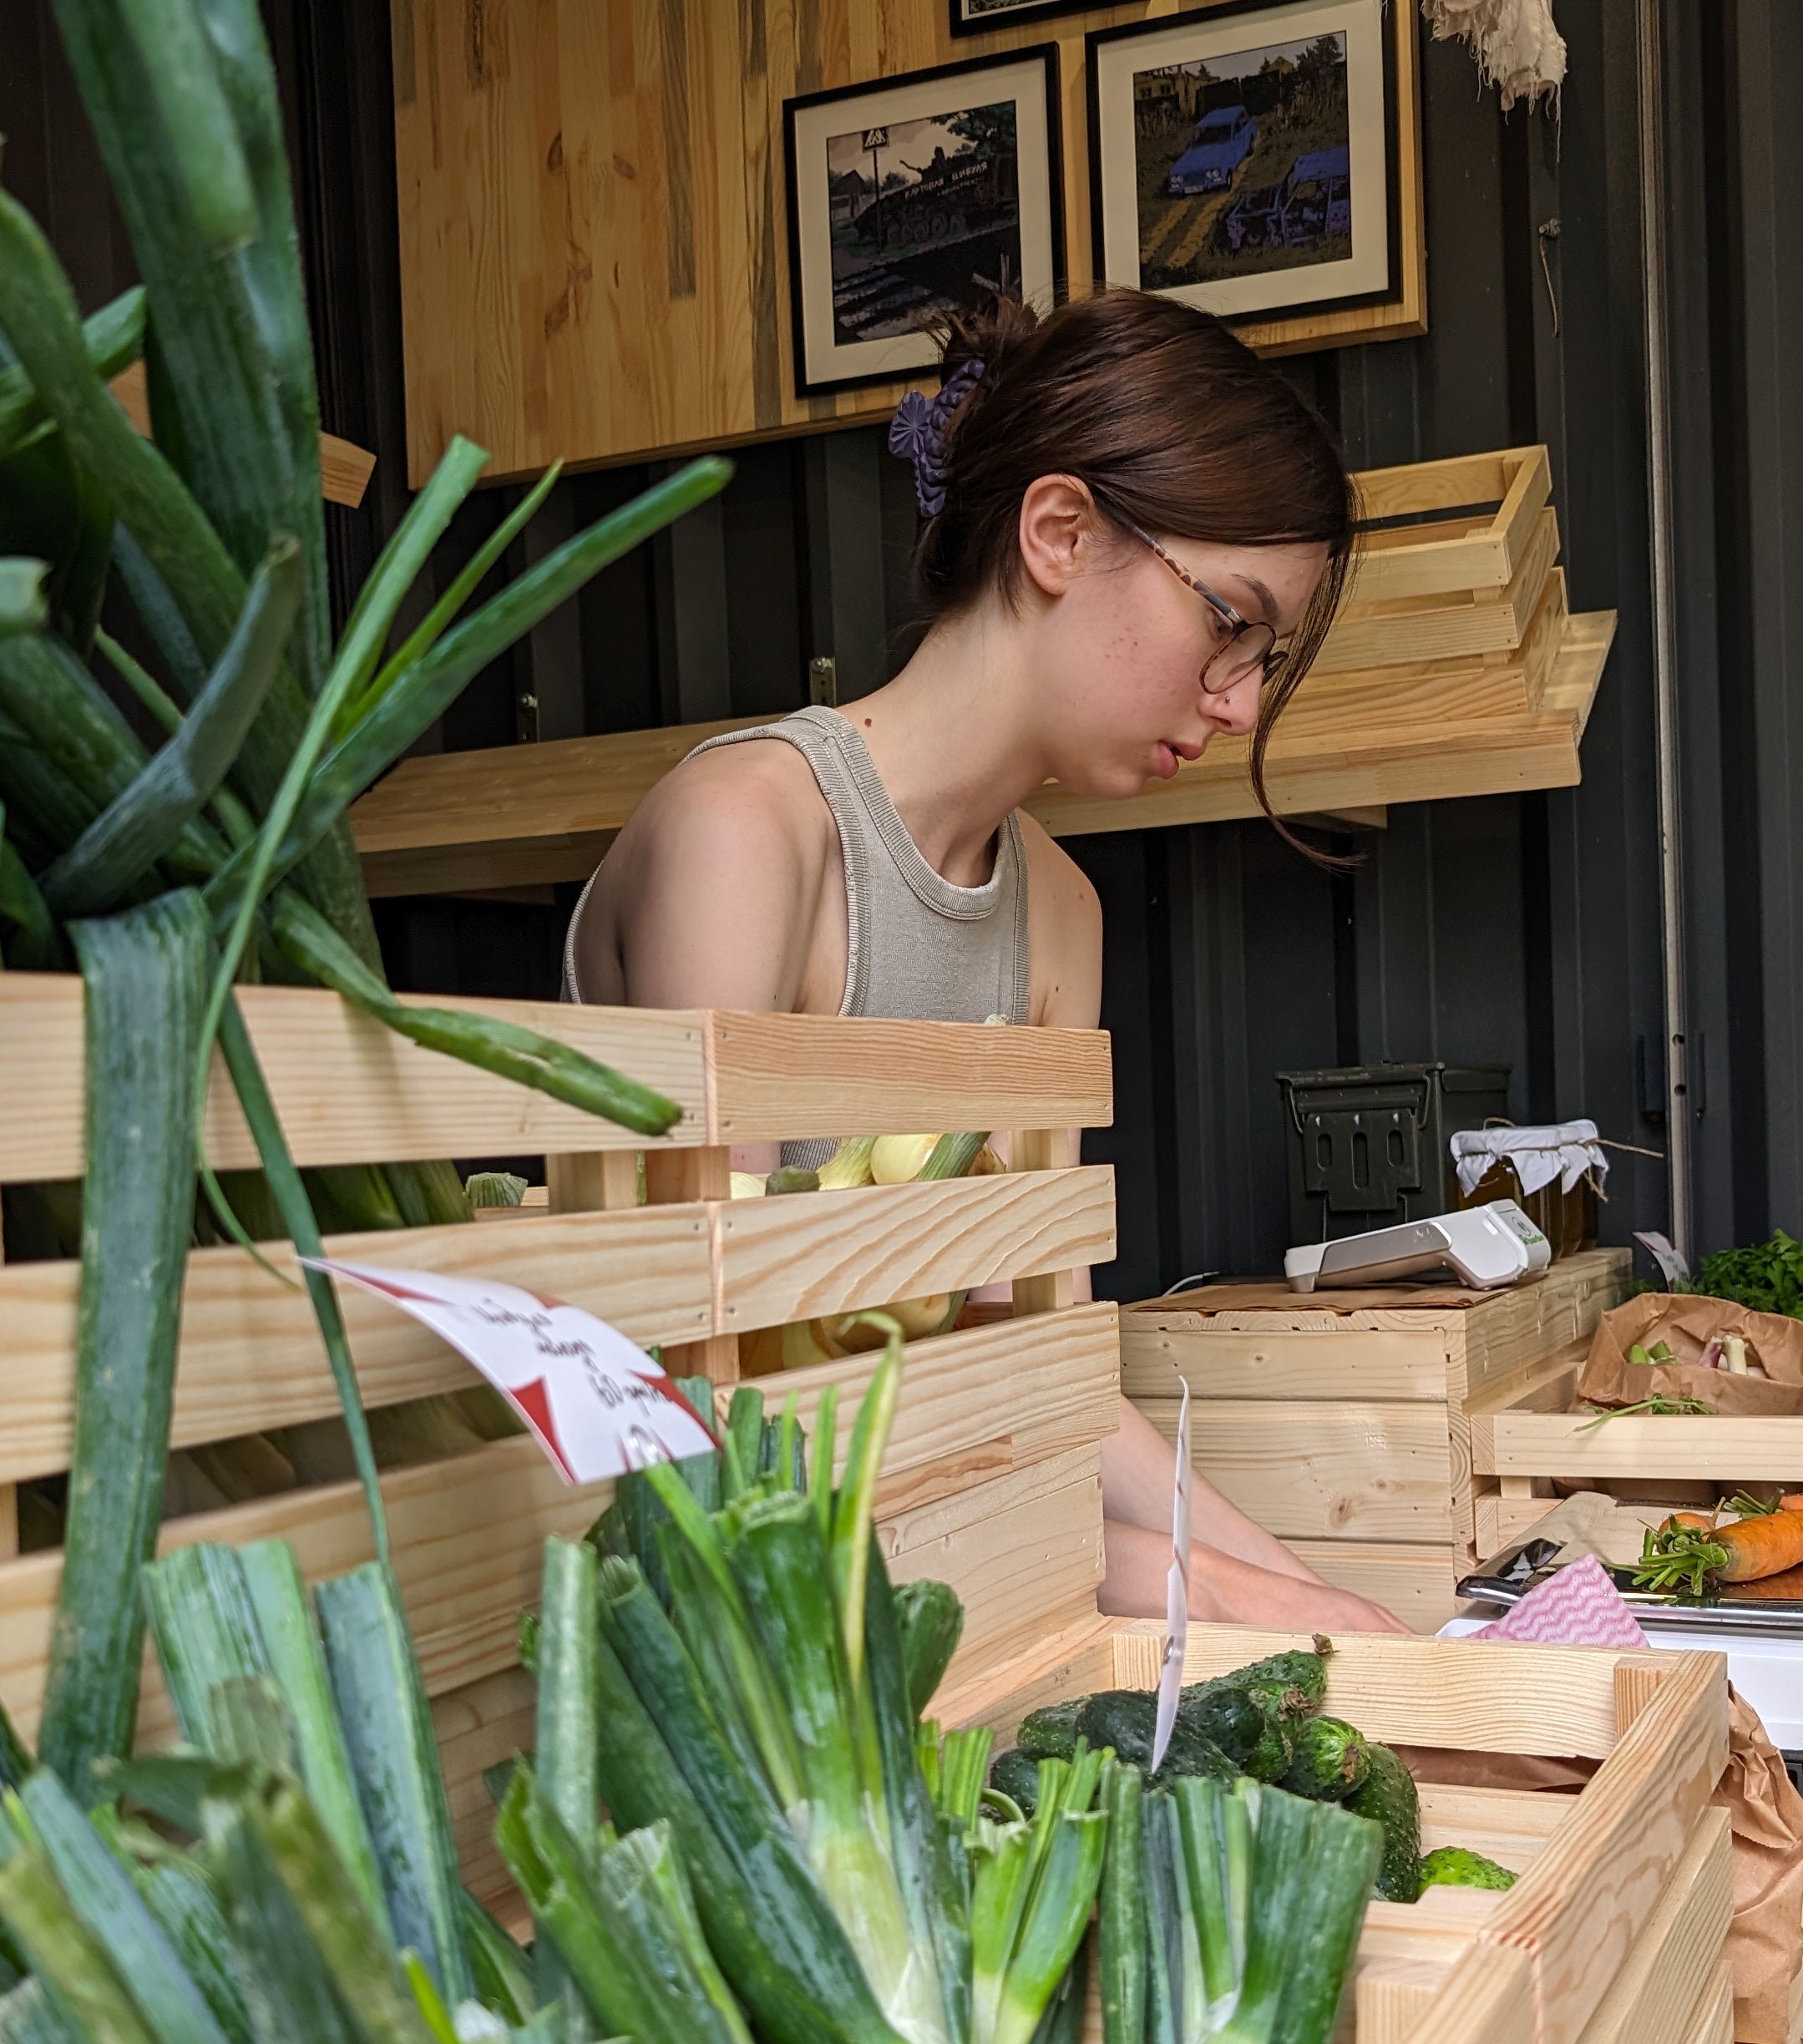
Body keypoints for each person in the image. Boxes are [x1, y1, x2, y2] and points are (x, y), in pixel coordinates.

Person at [566, 289, 1411, 1637]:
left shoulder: (1059, 915)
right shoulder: (755, 837)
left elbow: (1050, 1376)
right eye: (1229, 625)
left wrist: (1337, 1607)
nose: (1242, 701)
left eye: (1268, 658)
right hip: (706, 1615)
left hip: (933, 1596)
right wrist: (1247, 1604)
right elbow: (705, 1428)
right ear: (1060, 533)